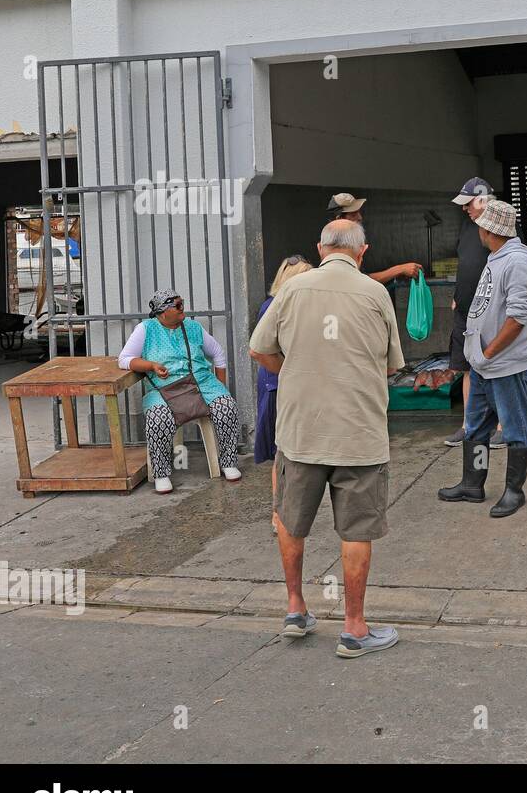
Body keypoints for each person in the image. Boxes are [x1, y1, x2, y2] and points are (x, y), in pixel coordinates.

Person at [249, 219, 405, 657]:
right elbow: (393, 364)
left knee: (290, 520)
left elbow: (259, 350)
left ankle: (296, 609)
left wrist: (297, 373)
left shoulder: (291, 292)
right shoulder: (376, 294)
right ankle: (354, 628)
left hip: (301, 431)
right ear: (363, 251)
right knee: (356, 529)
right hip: (359, 433)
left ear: (320, 248)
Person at [437, 199, 527, 518]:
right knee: (478, 425)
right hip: (483, 364)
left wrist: (490, 351)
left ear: (489, 229)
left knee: (516, 426)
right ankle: (472, 482)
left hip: (503, 363)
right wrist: (479, 356)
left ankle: (514, 490)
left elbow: (518, 316)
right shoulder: (497, 257)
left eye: (480, 224)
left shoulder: (517, 262)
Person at [118, 289, 242, 494]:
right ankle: (161, 473)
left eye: (181, 303)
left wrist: (221, 386)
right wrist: (151, 366)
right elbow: (124, 359)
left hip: (202, 383)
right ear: (163, 311)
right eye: (177, 305)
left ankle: (228, 462)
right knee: (158, 418)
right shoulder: (145, 329)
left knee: (226, 405)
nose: (182, 308)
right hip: (163, 388)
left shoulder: (193, 327)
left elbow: (218, 353)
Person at [443, 177, 505, 451]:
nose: (465, 209)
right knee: (467, 367)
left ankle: (503, 427)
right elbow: (465, 264)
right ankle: (470, 425)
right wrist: (458, 296)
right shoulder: (468, 227)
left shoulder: (501, 228)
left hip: (492, 313)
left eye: (469, 203)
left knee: (499, 369)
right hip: (465, 310)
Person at [254, 255, 313, 532]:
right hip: (278, 387)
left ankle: (286, 512)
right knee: (282, 455)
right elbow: (261, 350)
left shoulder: (297, 305)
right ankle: (278, 514)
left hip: (285, 385)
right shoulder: (274, 307)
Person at [325, 192, 422, 286]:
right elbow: (358, 281)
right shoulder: (335, 245)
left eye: (358, 213)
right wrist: (399, 269)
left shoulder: (347, 242)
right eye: (353, 214)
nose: (360, 217)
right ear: (339, 219)